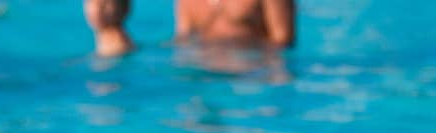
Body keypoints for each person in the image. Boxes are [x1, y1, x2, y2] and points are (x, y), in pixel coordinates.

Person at [85, 0, 296, 56]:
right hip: (202, 69)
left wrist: (244, 61)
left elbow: (284, 43)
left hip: (252, 77)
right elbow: (183, 40)